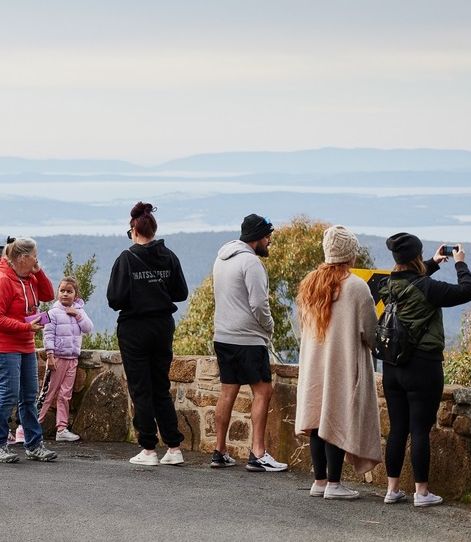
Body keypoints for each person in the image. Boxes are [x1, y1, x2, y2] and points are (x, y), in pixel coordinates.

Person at [378, 232, 471, 507]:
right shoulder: (428, 288)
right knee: (420, 429)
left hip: (392, 366)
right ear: (416, 257)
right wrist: (460, 263)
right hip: (423, 366)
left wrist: (432, 262)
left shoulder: (387, 284)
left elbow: (411, 281)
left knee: (397, 429)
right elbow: (467, 291)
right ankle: (421, 493)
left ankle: (392, 489)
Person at [294, 225, 382, 499]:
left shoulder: (311, 283)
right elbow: (371, 331)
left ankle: (319, 481)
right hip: (342, 362)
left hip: (315, 363)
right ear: (349, 254)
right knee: (336, 417)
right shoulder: (356, 287)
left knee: (317, 419)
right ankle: (333, 484)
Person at [107, 202, 189, 466]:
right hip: (162, 326)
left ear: (134, 230)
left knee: (141, 388)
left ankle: (149, 448)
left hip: (135, 328)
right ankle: (174, 447)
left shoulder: (126, 259)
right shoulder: (169, 256)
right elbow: (181, 293)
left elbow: (115, 298)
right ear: (154, 229)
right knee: (160, 386)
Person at [208, 214, 289, 472]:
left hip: (223, 336)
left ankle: (220, 451)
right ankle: (258, 453)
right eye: (267, 236)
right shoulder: (251, 263)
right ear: (257, 237)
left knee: (227, 392)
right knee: (263, 391)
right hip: (249, 339)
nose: (269, 241)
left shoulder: (221, 259)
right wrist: (269, 327)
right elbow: (259, 304)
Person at [0, 237, 57, 463]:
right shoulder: (1, 281)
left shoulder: (30, 278)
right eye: (34, 256)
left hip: (25, 344)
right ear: (23, 258)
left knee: (28, 396)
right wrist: (26, 327)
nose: (37, 259)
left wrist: (39, 271)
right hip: (3, 346)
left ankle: (34, 444)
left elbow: (48, 294)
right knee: (8, 395)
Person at [37, 276, 93, 442]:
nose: (65, 294)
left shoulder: (79, 312)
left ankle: (61, 429)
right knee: (48, 394)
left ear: (76, 295)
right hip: (57, 359)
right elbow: (48, 335)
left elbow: (88, 328)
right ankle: (32, 427)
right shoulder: (52, 313)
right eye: (62, 291)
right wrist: (50, 356)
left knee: (65, 395)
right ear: (58, 293)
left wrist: (77, 315)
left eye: (69, 291)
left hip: (72, 359)